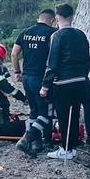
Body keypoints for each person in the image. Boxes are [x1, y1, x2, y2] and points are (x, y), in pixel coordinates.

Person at [17, 3, 90, 160]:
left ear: (56, 18)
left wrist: (45, 86)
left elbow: (52, 63)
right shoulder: (81, 34)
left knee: (64, 116)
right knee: (82, 112)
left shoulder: (56, 36)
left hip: (63, 83)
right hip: (82, 82)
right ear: (71, 17)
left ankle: (66, 149)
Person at [11, 9, 56, 140]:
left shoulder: (25, 32)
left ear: (38, 18)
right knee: (46, 111)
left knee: (33, 111)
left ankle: (35, 143)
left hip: (26, 77)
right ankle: (42, 140)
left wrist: (17, 72)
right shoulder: (52, 33)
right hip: (41, 78)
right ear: (52, 20)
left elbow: (14, 54)